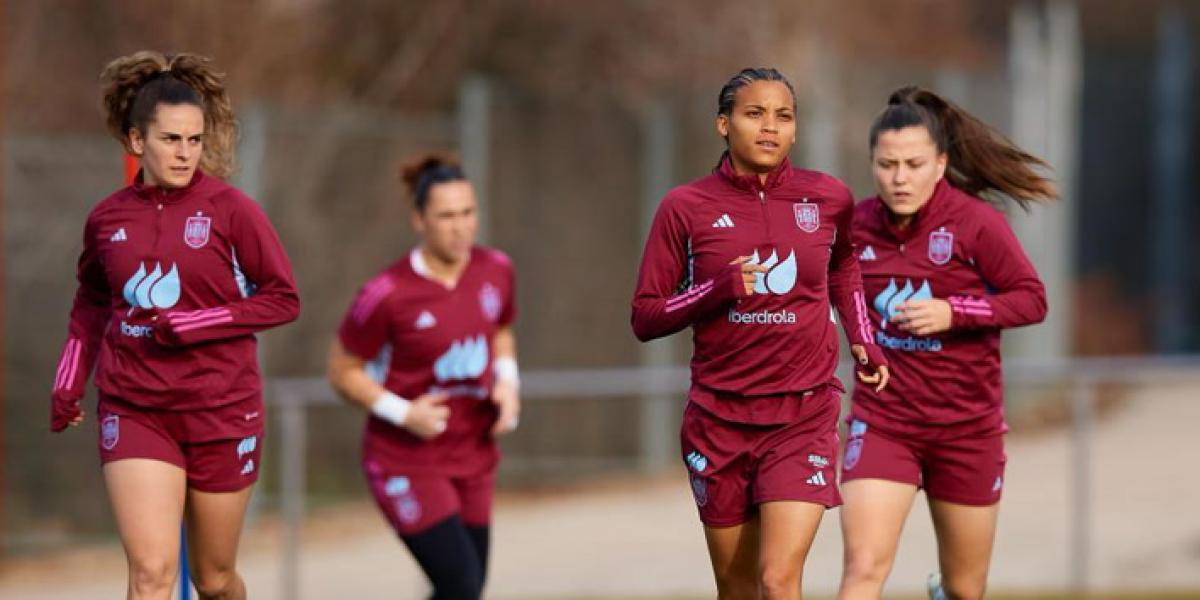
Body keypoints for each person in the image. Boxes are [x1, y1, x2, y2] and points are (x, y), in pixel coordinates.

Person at [49, 50, 301, 600]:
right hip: (136, 407)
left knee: (213, 580)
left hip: (221, 410)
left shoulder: (233, 210)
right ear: (137, 140)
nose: (185, 153)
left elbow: (283, 299)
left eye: (194, 140)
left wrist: (198, 322)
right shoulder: (107, 219)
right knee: (151, 574)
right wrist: (69, 380)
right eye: (170, 139)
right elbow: (91, 301)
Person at [631, 67, 889, 600]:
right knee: (737, 586)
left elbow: (844, 266)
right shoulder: (684, 207)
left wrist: (862, 336)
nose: (770, 126)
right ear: (723, 124)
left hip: (803, 414)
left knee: (778, 578)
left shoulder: (828, 198)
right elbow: (646, 315)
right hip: (718, 421)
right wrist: (717, 288)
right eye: (754, 114)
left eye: (783, 116)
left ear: (795, 130)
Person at [836, 86, 1054, 600]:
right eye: (887, 165)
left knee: (964, 588)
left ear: (940, 164)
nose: (900, 178)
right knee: (863, 566)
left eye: (913, 164)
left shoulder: (975, 223)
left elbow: (1032, 299)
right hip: (884, 422)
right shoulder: (853, 228)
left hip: (967, 429)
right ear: (872, 164)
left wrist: (953, 312)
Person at [328, 153, 519, 600]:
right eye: (446, 216)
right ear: (419, 220)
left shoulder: (496, 268)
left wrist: (508, 383)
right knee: (461, 585)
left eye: (468, 212)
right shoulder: (386, 294)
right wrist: (403, 413)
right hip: (405, 460)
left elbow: (501, 330)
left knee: (465, 588)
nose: (460, 227)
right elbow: (342, 370)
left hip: (473, 452)